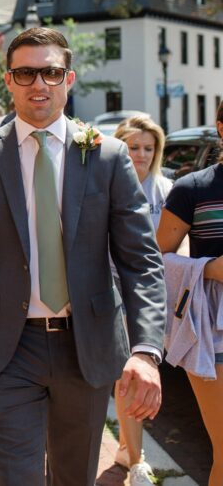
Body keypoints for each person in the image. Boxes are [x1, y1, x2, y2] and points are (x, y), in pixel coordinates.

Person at [0, 27, 166, 485]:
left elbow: (141, 261)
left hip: (87, 347)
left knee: (73, 477)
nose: (39, 83)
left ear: (69, 79)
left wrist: (146, 351)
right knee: (17, 478)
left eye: (51, 73)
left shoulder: (108, 157)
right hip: (6, 350)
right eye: (26, 73)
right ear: (9, 80)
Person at [156, 100, 223, 486]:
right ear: (220, 126)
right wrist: (208, 269)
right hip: (212, 337)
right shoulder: (193, 189)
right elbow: (154, 260)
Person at [111, 115, 172, 485]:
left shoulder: (167, 190)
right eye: (134, 147)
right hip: (111, 290)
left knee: (137, 373)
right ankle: (135, 461)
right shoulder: (104, 183)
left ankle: (127, 448)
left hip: (150, 294)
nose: (142, 155)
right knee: (126, 373)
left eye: (149, 148)